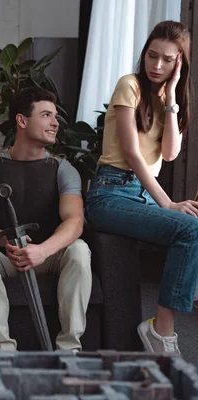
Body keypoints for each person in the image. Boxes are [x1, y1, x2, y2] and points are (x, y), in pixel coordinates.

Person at [85, 20, 198, 355]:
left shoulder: (167, 100)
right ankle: (162, 332)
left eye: (167, 60)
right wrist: (168, 204)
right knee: (191, 230)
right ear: (144, 53)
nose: (157, 65)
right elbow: (133, 154)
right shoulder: (129, 86)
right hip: (109, 194)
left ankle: (160, 330)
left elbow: (169, 153)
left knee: (192, 228)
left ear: (180, 64)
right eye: (152, 56)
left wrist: (172, 96)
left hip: (142, 197)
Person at [0, 87, 92, 351]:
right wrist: (2, 241)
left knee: (79, 250)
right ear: (22, 121)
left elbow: (75, 221)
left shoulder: (63, 169)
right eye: (46, 115)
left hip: (50, 255)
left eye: (55, 116)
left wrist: (43, 251)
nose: (55, 123)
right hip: (6, 254)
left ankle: (69, 350)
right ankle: (2, 348)